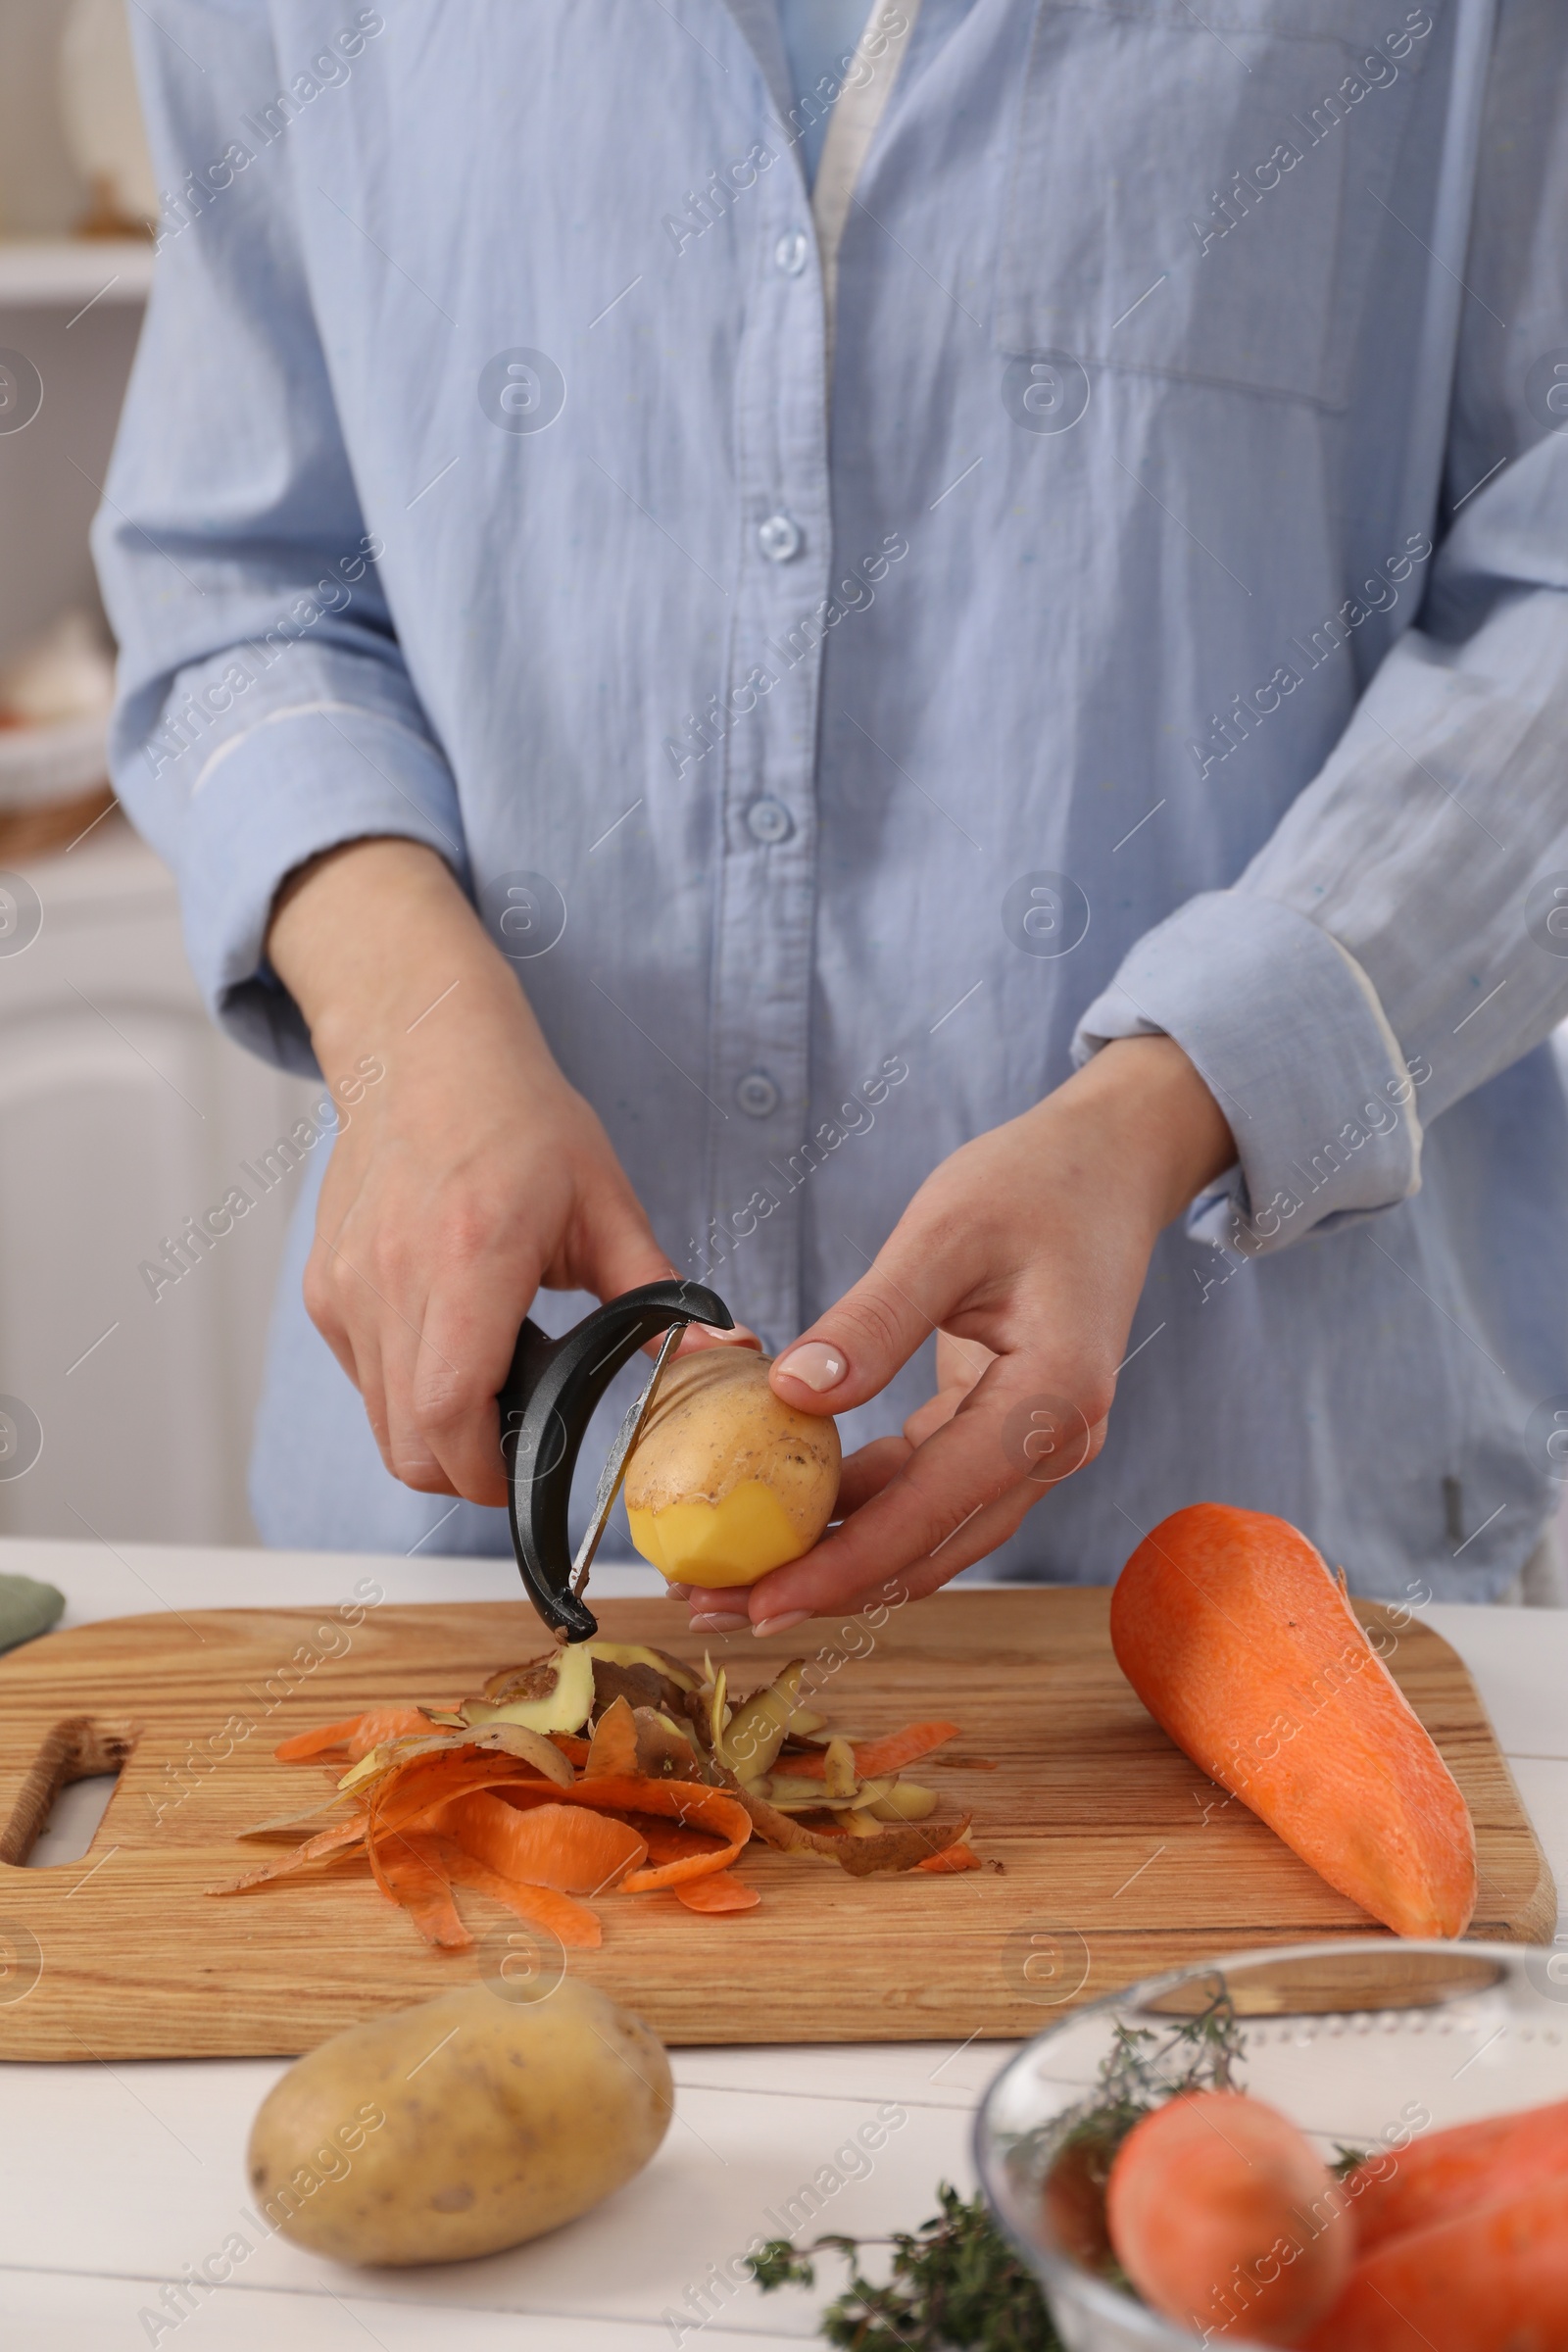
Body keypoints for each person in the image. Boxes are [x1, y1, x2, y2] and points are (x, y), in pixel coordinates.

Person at [97, 0, 1568, 1637]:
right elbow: (240, 581)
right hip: (463, 1549)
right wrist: (405, 1012)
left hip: (1262, 1569)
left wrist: (1174, 1104)